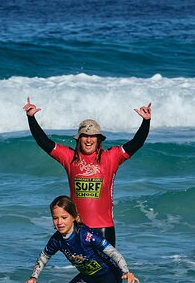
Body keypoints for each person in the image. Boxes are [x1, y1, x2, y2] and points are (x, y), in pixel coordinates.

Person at [23, 97, 152, 246]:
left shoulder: (111, 157)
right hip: (79, 228)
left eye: (93, 136)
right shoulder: (70, 157)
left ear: (98, 140)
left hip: (104, 228)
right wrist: (31, 118)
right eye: (85, 136)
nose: (89, 140)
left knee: (107, 269)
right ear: (79, 139)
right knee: (87, 269)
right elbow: (44, 142)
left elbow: (137, 143)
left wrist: (146, 122)